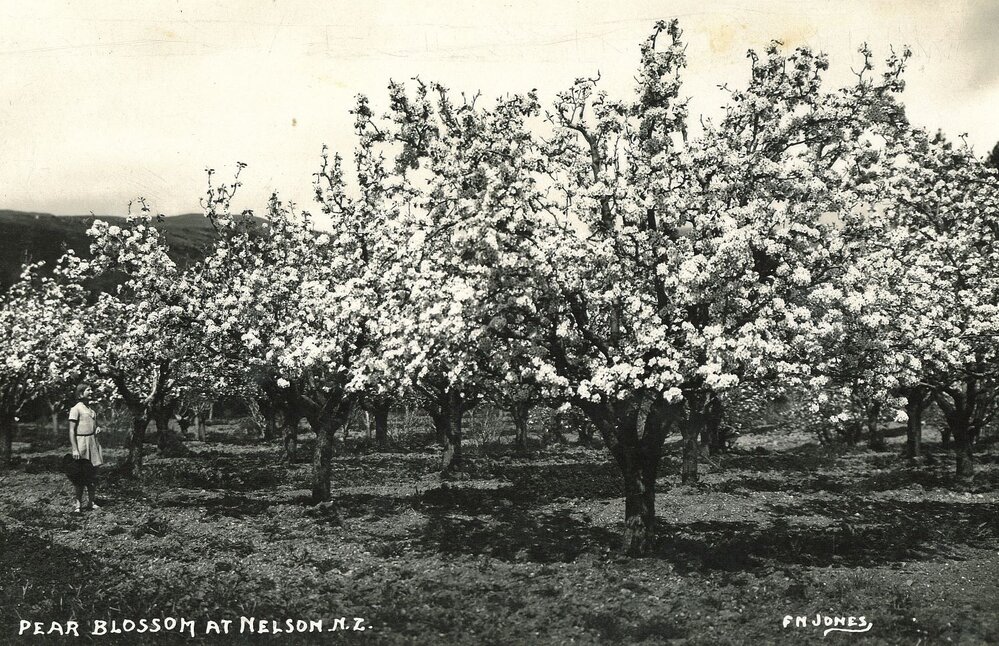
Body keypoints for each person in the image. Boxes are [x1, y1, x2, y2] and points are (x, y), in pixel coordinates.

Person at [68, 384, 103, 513]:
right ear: (80, 393)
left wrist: (97, 429)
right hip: (81, 442)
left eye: (91, 389)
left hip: (92, 443)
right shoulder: (76, 409)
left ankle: (91, 502)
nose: (91, 391)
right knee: (80, 475)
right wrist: (75, 449)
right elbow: (71, 431)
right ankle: (78, 504)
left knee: (93, 474)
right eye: (88, 390)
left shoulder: (91, 410)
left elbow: (94, 426)